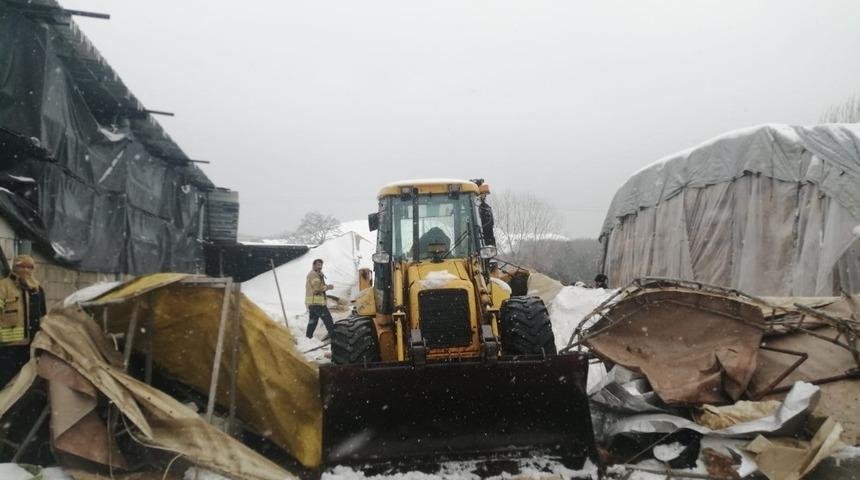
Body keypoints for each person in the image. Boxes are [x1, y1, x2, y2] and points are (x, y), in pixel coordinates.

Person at [0, 255, 47, 385]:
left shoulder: (37, 289)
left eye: (29, 267)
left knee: (23, 384)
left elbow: (43, 315)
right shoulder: (3, 287)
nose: (26, 270)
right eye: (22, 266)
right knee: (5, 381)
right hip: (8, 348)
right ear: (15, 268)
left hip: (31, 346)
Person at [305, 258, 335, 339]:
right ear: (313, 265)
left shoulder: (316, 274)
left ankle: (308, 338)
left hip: (312, 303)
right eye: (318, 264)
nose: (320, 266)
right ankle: (333, 336)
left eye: (321, 265)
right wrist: (328, 287)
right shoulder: (314, 275)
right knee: (328, 320)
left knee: (313, 321)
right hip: (317, 303)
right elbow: (318, 287)